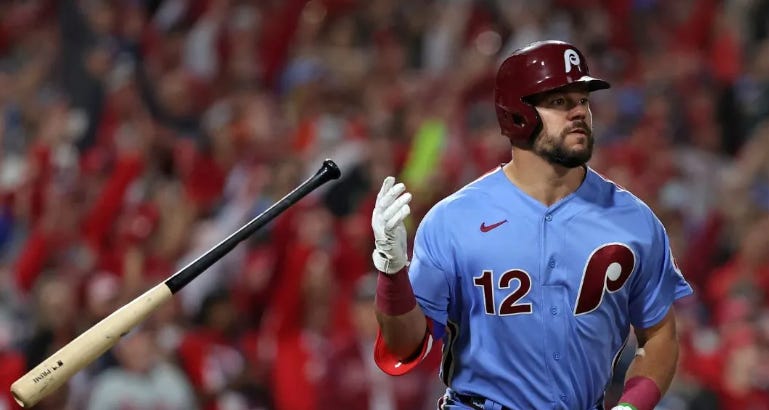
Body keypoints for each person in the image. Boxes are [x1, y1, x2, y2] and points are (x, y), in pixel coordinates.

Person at [370, 40, 693, 410]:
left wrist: (631, 407)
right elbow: (404, 346)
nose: (580, 112)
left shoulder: (633, 220)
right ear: (517, 113)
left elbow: (660, 335)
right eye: (560, 101)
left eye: (583, 100)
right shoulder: (453, 220)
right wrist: (392, 272)